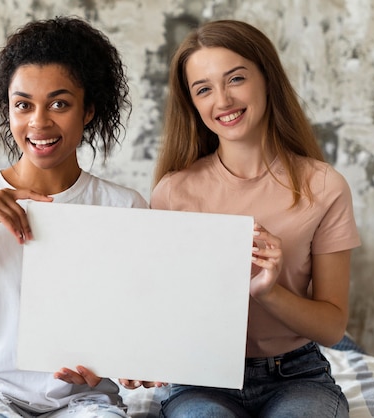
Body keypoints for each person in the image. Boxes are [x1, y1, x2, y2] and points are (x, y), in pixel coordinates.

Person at [0, 16, 147, 418]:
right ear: (9, 110)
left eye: (59, 103)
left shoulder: (124, 208)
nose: (39, 122)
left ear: (88, 110)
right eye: (23, 105)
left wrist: (112, 367)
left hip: (83, 400)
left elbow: (138, 335)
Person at [127, 19, 361, 417]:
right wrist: (137, 354)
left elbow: (332, 327)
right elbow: (159, 309)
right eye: (204, 89)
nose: (222, 100)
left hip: (296, 375)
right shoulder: (173, 191)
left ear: (267, 79)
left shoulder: (324, 186)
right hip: (200, 378)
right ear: (194, 104)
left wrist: (269, 291)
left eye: (235, 79)